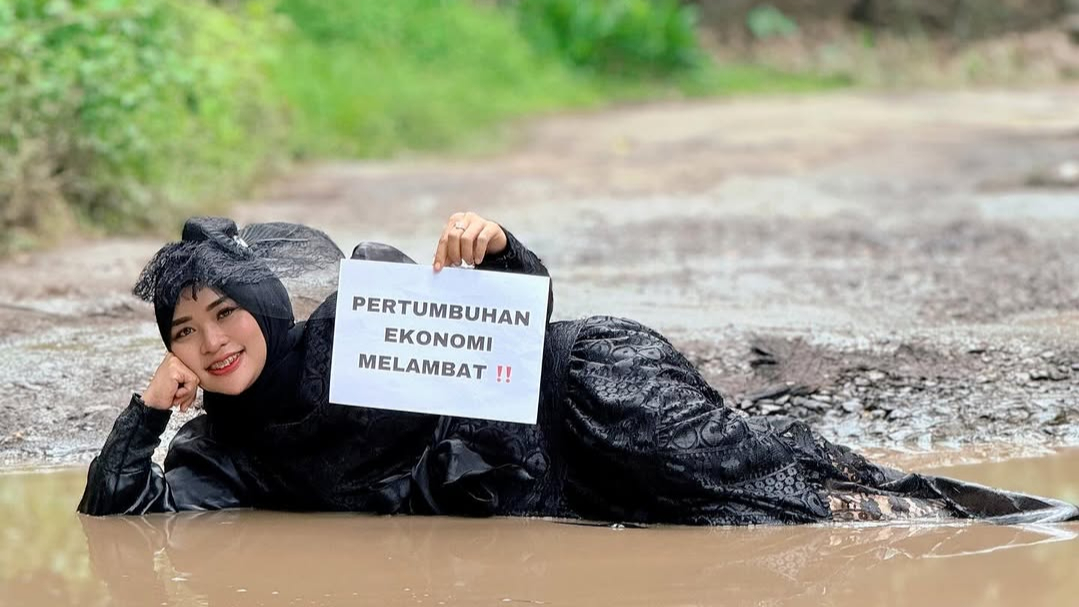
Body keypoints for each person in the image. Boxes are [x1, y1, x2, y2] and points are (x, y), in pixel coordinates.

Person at [78, 214, 1079, 524]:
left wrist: (498, 248)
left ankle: (1009, 513)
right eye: (183, 331)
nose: (212, 341)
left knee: (790, 494)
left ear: (261, 306)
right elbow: (117, 525)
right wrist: (142, 414)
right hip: (548, 496)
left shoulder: (367, 313)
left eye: (225, 312)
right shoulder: (225, 452)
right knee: (716, 532)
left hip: (588, 396)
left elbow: (513, 334)